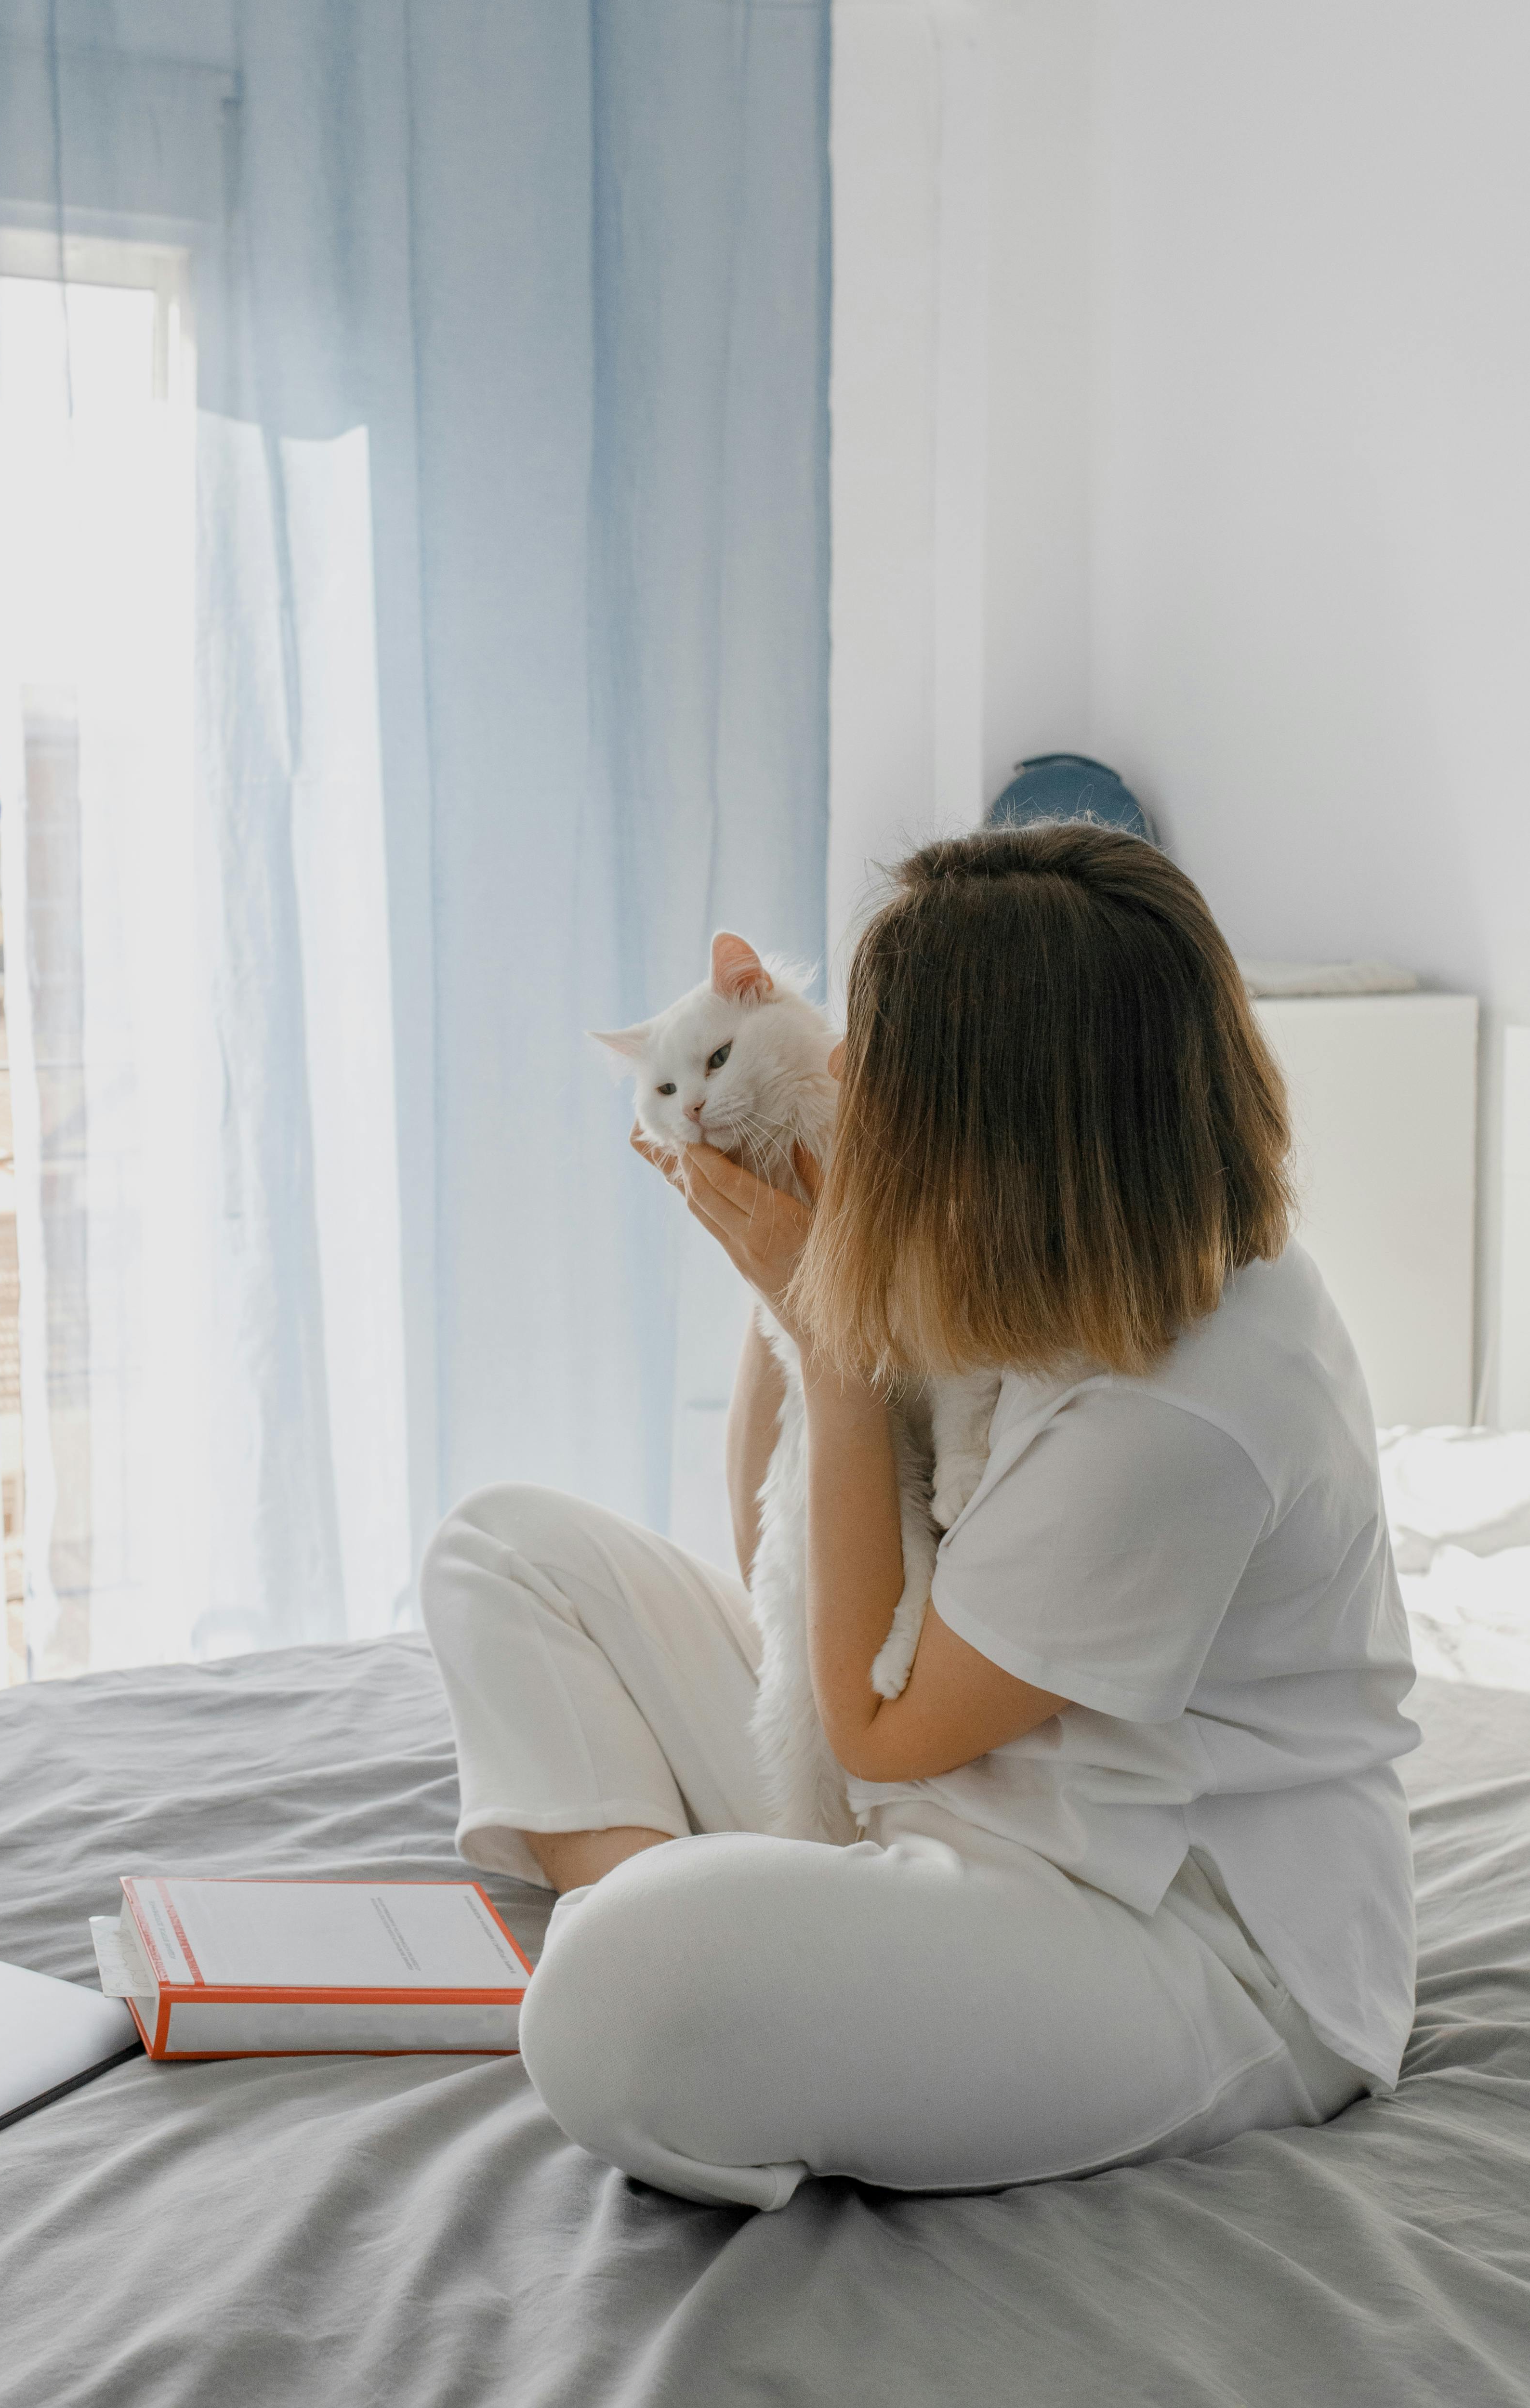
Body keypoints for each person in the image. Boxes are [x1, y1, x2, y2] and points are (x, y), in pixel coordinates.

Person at [421, 825, 1419, 2211]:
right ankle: (701, 1910)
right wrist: (796, 1289)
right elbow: (778, 1566)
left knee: (613, 1994)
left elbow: (873, 1730)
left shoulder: (1187, 1408)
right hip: (946, 1776)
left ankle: (689, 1928)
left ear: (1005, 1102)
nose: (846, 1075)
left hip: (1159, 1921)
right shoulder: (1043, 1233)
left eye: (885, 1057)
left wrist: (830, 1332)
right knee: (499, 1549)